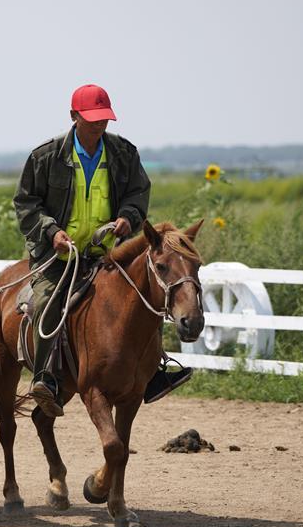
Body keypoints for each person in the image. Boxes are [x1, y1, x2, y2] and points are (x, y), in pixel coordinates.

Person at [13, 84, 192, 418]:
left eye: (103, 119)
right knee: (45, 302)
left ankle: (154, 371)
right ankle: (46, 379)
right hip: (58, 258)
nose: (98, 125)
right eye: (91, 119)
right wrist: (51, 232)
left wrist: (128, 217)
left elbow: (138, 192)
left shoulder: (124, 153)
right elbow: (26, 204)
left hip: (107, 254)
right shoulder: (45, 156)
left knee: (148, 296)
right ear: (73, 117)